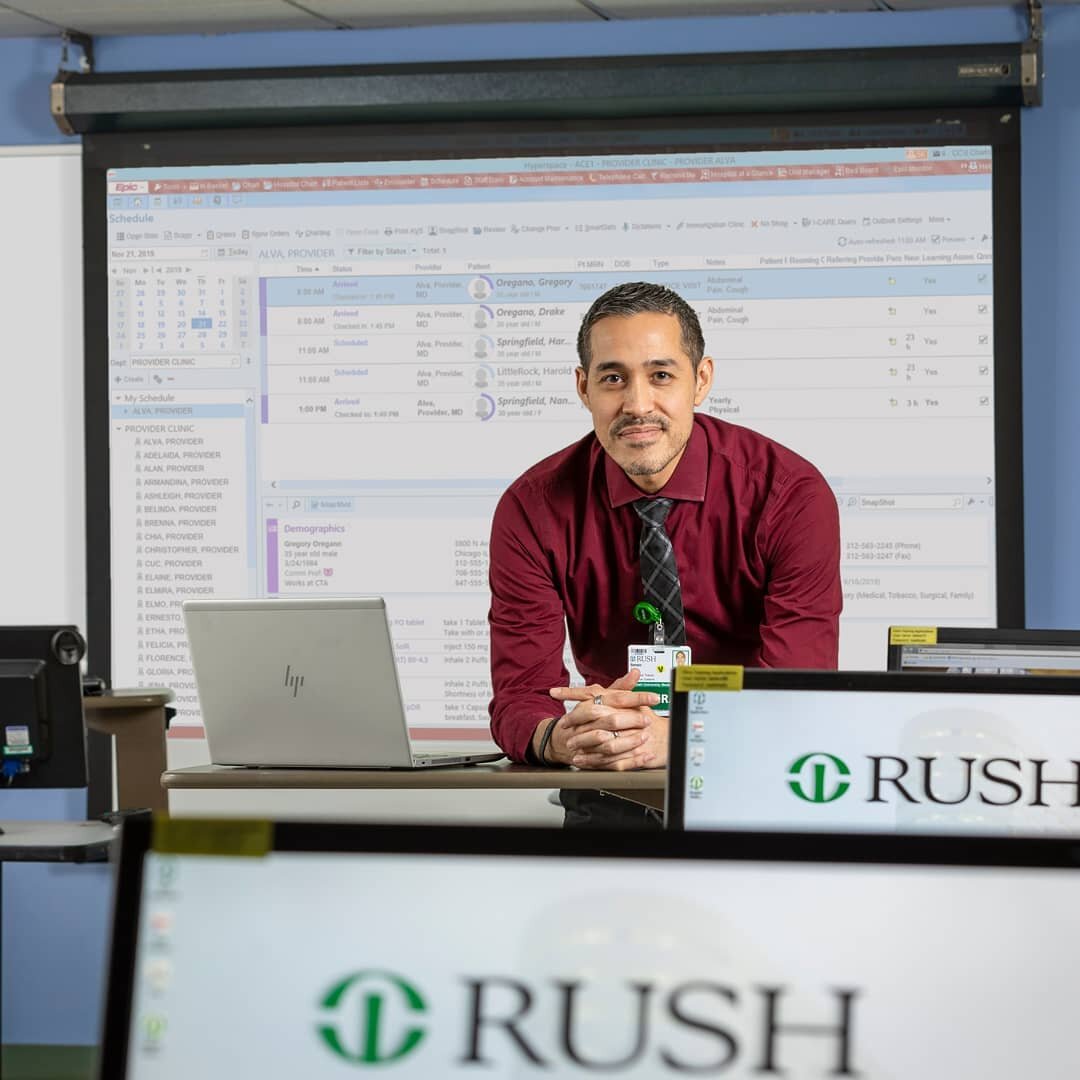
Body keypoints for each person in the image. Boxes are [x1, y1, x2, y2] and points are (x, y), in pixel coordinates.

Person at [487, 281, 841, 825]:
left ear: (701, 380)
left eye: (660, 375)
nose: (637, 405)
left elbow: (798, 691)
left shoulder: (789, 495)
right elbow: (520, 695)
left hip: (751, 773)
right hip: (612, 782)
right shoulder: (533, 508)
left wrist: (678, 736)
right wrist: (560, 737)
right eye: (613, 378)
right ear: (583, 388)